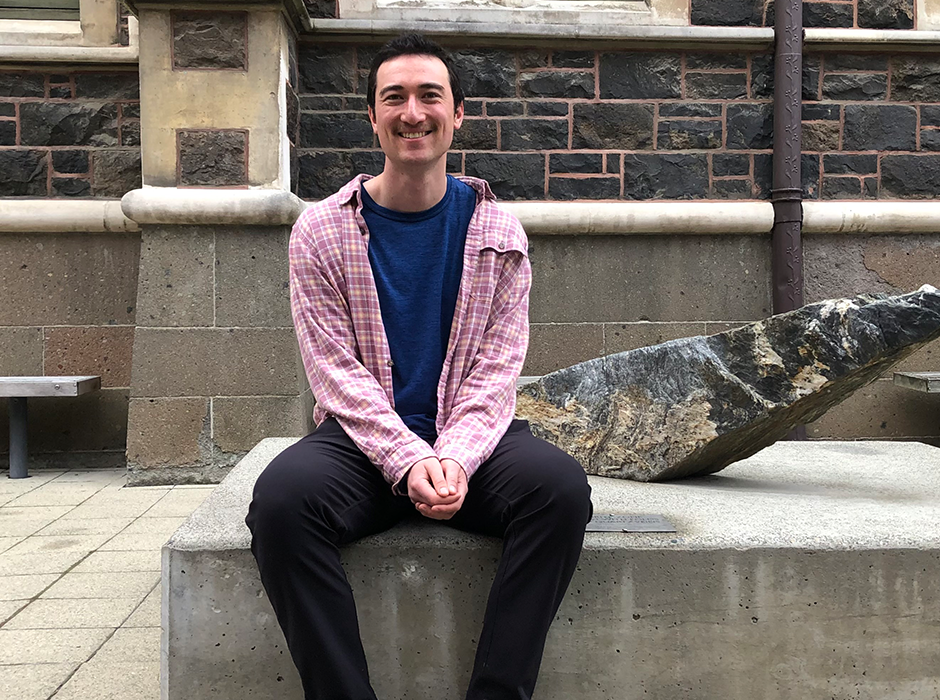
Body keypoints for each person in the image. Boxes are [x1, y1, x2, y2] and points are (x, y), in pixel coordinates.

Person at [245, 33, 593, 700]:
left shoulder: (499, 233)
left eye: (430, 96)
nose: (413, 112)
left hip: (474, 440)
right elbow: (333, 371)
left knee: (559, 492)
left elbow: (498, 370)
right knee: (282, 504)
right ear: (372, 117)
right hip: (361, 438)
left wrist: (456, 459)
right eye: (393, 98)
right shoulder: (319, 232)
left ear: (457, 114)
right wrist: (407, 461)